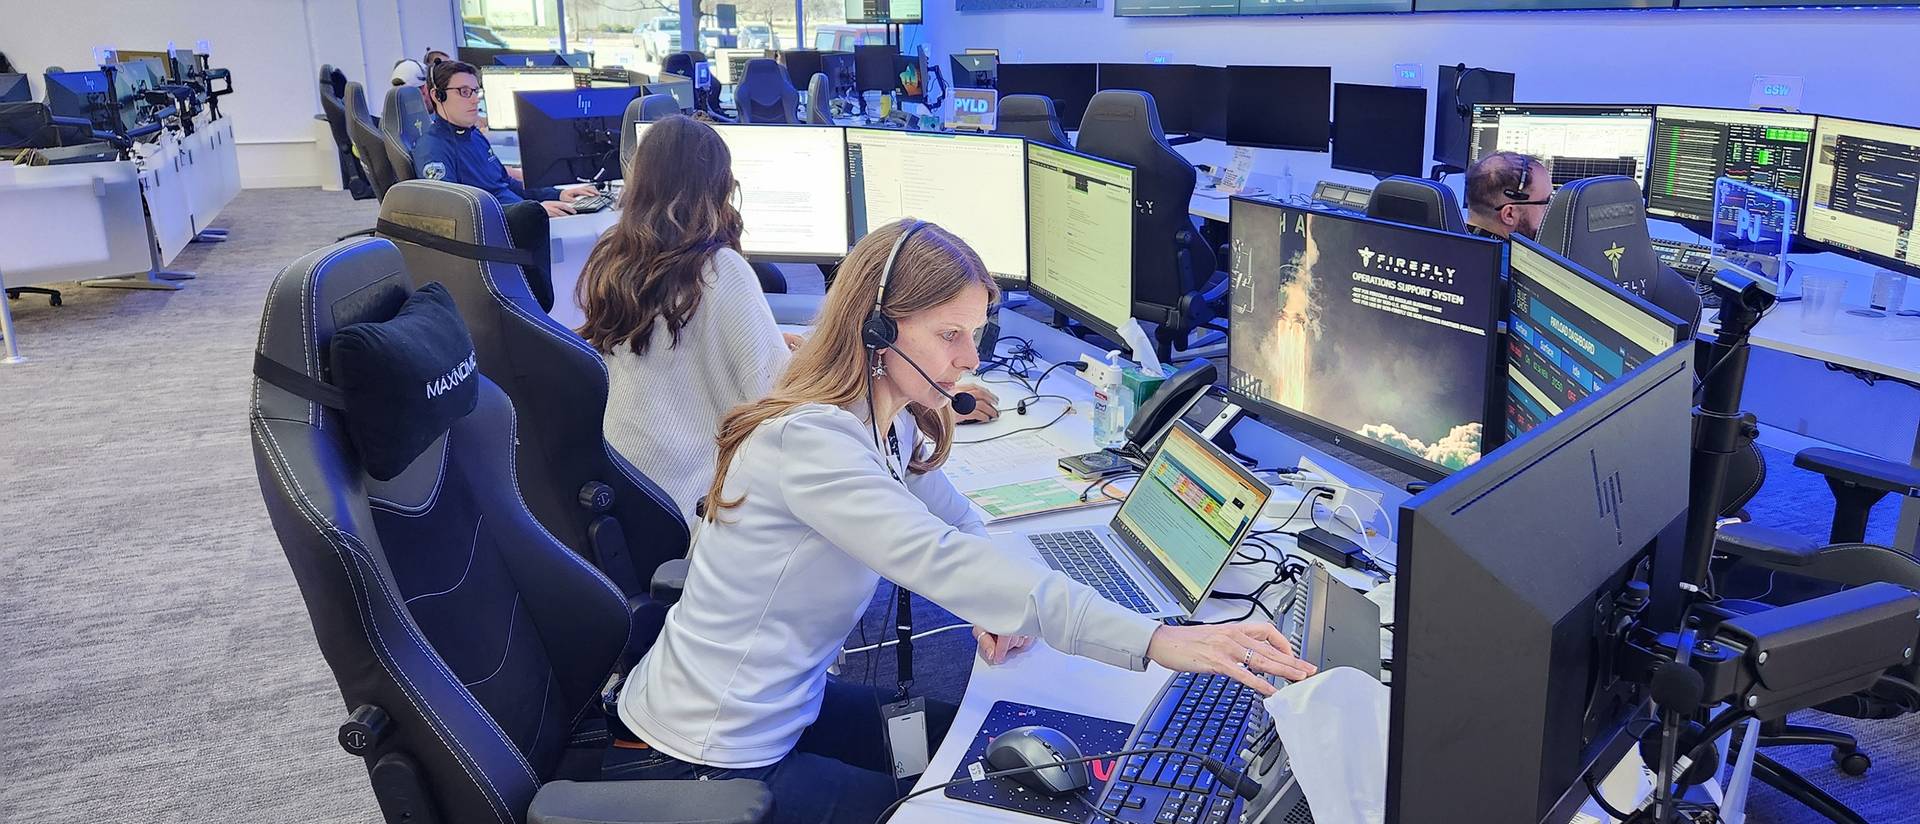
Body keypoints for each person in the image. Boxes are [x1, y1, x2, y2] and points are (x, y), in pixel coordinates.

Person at [604, 219, 1316, 824]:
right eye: (949, 334)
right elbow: (945, 561)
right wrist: (1160, 639)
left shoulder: (889, 426)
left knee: (1004, 764)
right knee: (978, 803)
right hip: (714, 752)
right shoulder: (810, 443)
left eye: (976, 333)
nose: (971, 359)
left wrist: (994, 613)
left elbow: (963, 528)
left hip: (791, 705)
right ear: (877, 325)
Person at [580, 116, 998, 523]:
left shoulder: (612, 260)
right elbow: (788, 411)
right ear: (723, 187)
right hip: (699, 506)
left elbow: (678, 360)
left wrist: (798, 349)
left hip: (637, 493)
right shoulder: (719, 270)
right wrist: (933, 401)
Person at [411, 60, 599, 218]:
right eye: (464, 91)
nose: (475, 99)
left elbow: (506, 184)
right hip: (503, 234)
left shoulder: (473, 135)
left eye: (476, 91)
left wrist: (559, 194)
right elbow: (455, 213)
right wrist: (532, 211)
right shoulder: (432, 149)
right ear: (438, 96)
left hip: (521, 217)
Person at [1464, 150, 1552, 241]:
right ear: (1509, 214)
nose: (1551, 211)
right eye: (1547, 202)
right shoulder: (1516, 255)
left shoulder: (1451, 244)